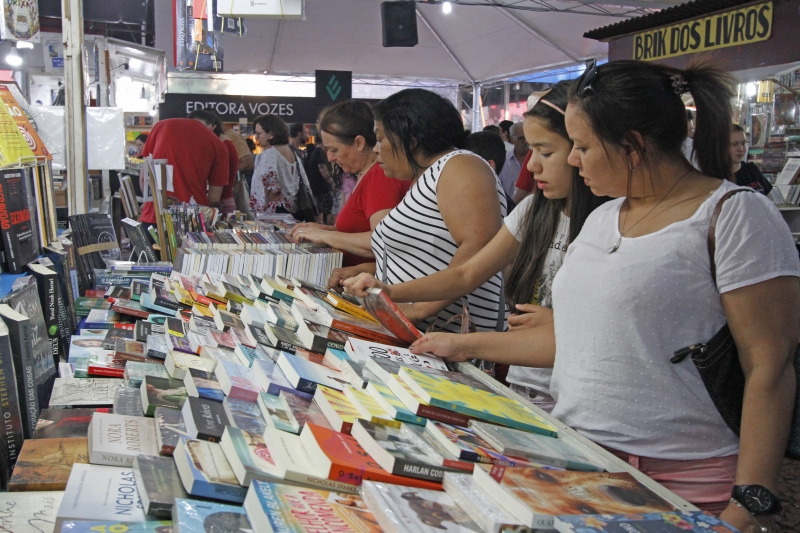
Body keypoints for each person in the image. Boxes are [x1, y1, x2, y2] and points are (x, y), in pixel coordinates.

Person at [423, 60, 799, 529]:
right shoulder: (603, 217)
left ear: (633, 146)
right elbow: (581, 342)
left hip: (683, 475)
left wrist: (749, 502)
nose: (573, 159)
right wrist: (460, 345)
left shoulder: (734, 216)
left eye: (581, 146)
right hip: (577, 458)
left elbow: (768, 366)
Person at [346, 81, 606, 410]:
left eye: (547, 151)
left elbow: (471, 259)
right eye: (531, 150)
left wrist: (424, 315)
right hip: (527, 383)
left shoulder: (608, 220)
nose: (530, 166)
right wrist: (391, 293)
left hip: (574, 393)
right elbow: (467, 272)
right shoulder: (535, 210)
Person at [360, 88, 508, 332]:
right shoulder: (431, 175)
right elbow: (430, 255)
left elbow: (478, 247)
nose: (376, 149)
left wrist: (417, 309)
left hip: (458, 338)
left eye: (380, 138)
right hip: (429, 334)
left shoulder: (459, 165)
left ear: (410, 138)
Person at [288, 100, 412, 270]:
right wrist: (325, 230)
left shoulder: (379, 177)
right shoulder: (367, 174)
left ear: (359, 143)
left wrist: (324, 235)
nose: (330, 157)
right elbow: (358, 231)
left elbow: (382, 241)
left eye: (334, 150)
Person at [139, 118, 229, 224]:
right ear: (213, 127)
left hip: (155, 214)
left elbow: (144, 177)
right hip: (194, 219)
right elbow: (214, 198)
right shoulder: (218, 144)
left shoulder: (161, 126)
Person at [249, 114, 313, 217]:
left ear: (271, 134)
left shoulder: (269, 153)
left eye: (259, 133)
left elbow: (271, 186)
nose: (256, 137)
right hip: (293, 209)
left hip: (274, 212)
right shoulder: (292, 152)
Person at [187, 109, 239, 214]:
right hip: (214, 202)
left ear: (213, 127)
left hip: (220, 203)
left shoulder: (222, 145)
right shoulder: (216, 143)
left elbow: (215, 195)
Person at [731, 124, 773, 195]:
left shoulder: (751, 169)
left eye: (743, 143)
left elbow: (769, 201)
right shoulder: (716, 177)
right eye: (735, 144)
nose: (741, 149)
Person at [497, 122, 528, 200]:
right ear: (511, 139)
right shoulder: (504, 161)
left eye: (527, 138)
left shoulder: (535, 161)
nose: (525, 142)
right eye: (521, 138)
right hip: (510, 209)